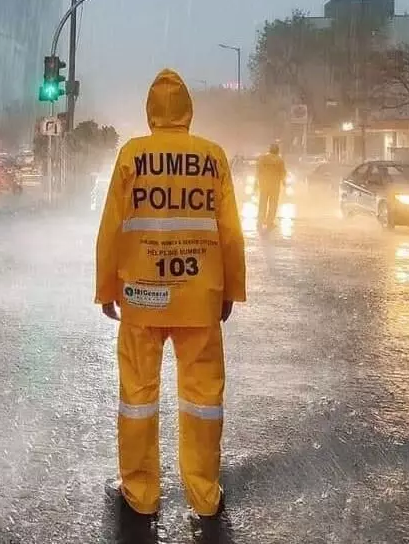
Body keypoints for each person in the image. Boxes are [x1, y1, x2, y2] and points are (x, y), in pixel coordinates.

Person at [95, 69, 246, 520]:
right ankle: (203, 492)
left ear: (150, 111)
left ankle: (140, 493)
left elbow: (112, 228)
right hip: (199, 297)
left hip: (142, 298)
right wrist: (231, 289)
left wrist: (106, 289)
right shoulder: (212, 156)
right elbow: (230, 232)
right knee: (203, 400)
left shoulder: (132, 155)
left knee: (138, 397)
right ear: (188, 110)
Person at [255, 143, 287, 230]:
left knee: (262, 203)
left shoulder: (263, 158)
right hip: (275, 186)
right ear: (277, 151)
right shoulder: (279, 160)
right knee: (273, 204)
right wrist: (284, 182)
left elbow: (258, 170)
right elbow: (283, 172)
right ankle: (269, 222)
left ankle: (260, 221)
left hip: (264, 185)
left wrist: (256, 182)